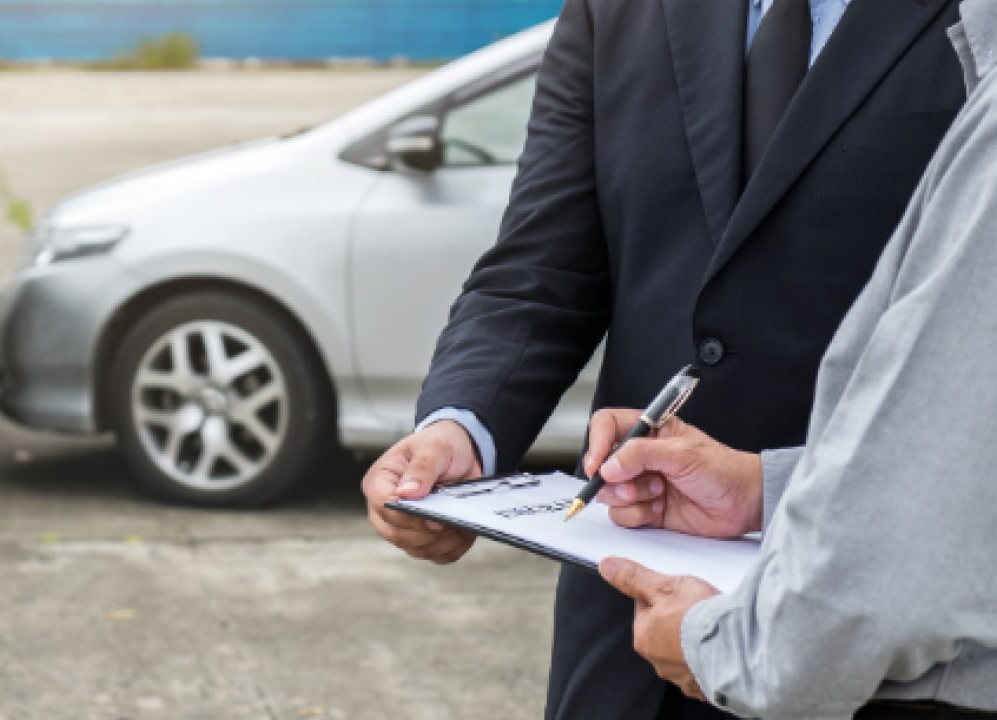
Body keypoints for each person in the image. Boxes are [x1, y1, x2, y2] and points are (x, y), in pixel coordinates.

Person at [362, 0, 968, 718]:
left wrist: (769, 485)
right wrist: (459, 428)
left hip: (873, 637)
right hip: (627, 612)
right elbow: (542, 262)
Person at [590, 5, 997, 715]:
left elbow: (903, 563)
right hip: (641, 622)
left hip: (842, 674)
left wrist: (736, 649)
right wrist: (768, 488)